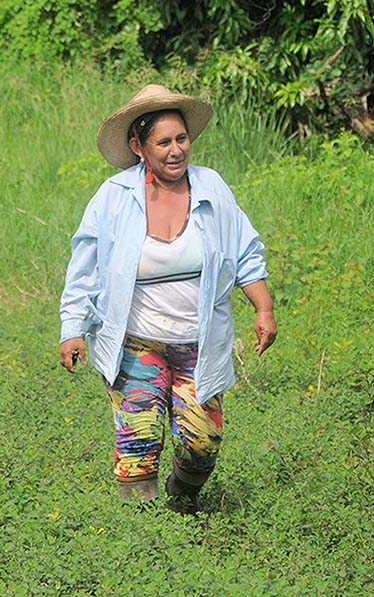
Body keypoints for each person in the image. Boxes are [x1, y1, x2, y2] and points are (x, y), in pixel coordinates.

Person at [58, 84, 277, 512]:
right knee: (138, 439)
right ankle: (140, 532)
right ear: (138, 146)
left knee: (203, 442)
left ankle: (181, 507)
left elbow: (244, 250)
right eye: (164, 141)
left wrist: (263, 307)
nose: (176, 150)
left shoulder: (211, 187)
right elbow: (84, 267)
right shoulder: (114, 198)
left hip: (198, 342)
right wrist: (73, 330)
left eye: (182, 139)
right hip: (136, 341)